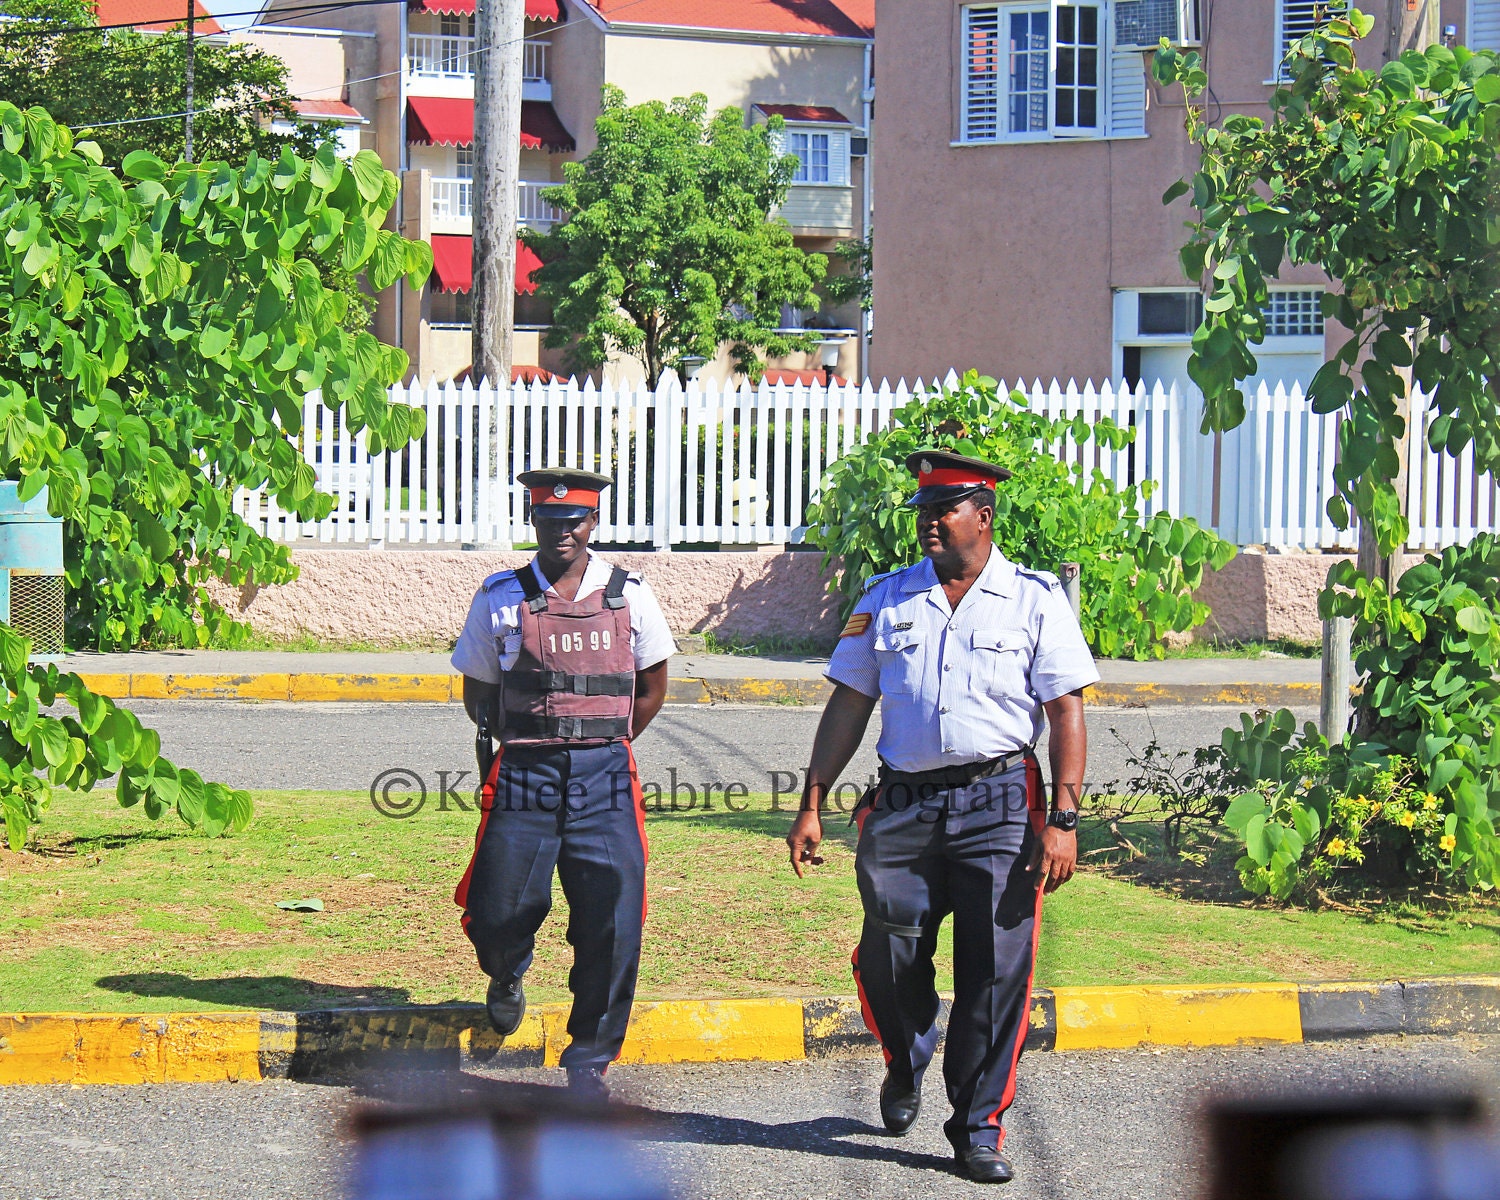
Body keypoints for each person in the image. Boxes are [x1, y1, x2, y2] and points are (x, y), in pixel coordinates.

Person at [785, 449, 1097, 1183]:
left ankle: (978, 1126)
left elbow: (1066, 711)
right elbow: (850, 703)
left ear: (982, 518)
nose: (928, 523)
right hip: (904, 801)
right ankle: (906, 1051)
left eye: (943, 510)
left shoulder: (1035, 598)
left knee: (996, 970)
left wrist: (1064, 818)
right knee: (889, 956)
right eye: (924, 511)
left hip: (1000, 800)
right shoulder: (888, 598)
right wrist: (810, 803)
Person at [451, 467, 674, 1100]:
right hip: (524, 771)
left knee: (612, 919)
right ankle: (506, 969)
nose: (562, 533)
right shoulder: (499, 597)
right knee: (497, 910)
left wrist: (596, 738)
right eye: (549, 522)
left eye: (573, 521)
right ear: (534, 523)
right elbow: (479, 694)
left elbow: (652, 689)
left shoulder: (631, 595)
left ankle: (589, 1063)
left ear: (594, 523)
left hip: (604, 773)